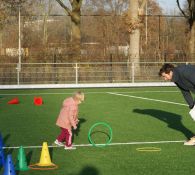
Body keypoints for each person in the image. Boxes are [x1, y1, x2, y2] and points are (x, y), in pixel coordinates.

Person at [159, 63, 195, 145]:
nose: (165, 79)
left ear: (170, 72)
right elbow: (185, 92)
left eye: (165, 76)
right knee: (193, 112)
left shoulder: (185, 72)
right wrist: (191, 105)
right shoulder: (176, 79)